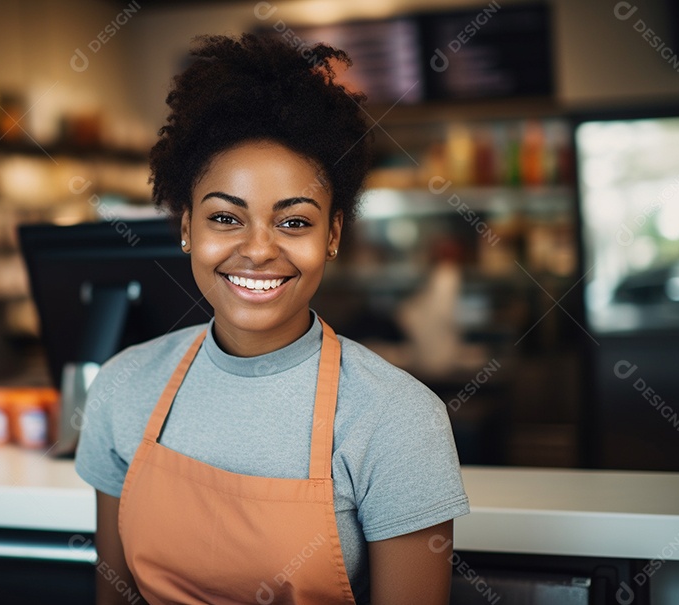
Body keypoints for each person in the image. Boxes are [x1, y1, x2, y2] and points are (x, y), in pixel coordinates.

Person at [74, 33, 469, 605]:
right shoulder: (123, 386)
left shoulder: (398, 420)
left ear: (333, 236)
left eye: (294, 223)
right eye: (226, 218)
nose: (258, 250)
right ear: (186, 228)